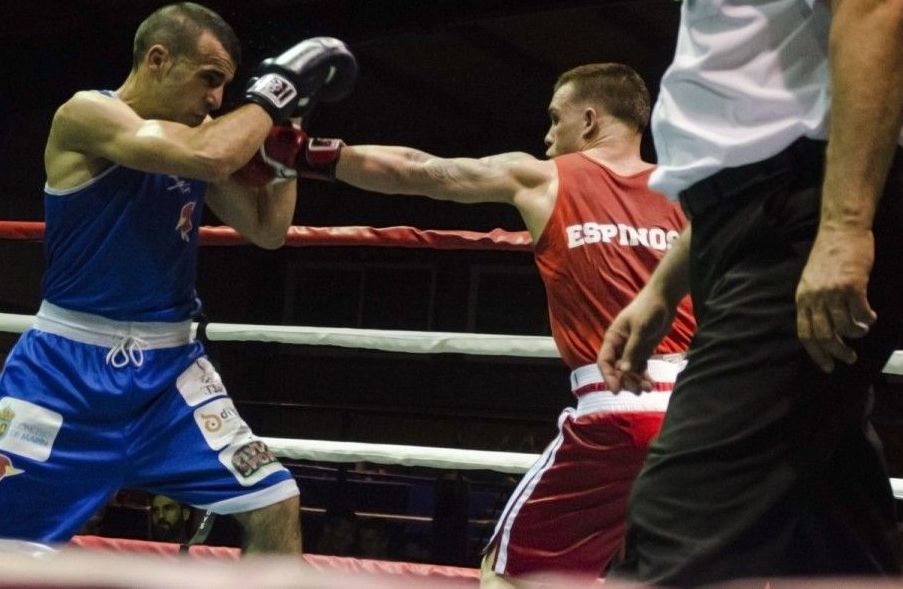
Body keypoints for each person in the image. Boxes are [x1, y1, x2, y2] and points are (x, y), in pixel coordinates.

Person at [598, 0, 903, 584]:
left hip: (800, 230)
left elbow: (880, 4)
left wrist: (845, 226)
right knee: (826, 534)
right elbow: (757, 124)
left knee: (678, 530)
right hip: (771, 226)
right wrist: (661, 292)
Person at [0, 2, 356, 555]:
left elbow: (268, 229)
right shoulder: (85, 115)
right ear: (157, 59)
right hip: (65, 373)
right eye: (210, 80)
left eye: (225, 88)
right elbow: (212, 158)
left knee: (274, 502)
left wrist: (288, 145)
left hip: (170, 375)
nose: (217, 100)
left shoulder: (199, 139)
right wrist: (277, 89)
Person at [240, 63, 695, 584]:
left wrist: (306, 153)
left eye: (554, 120)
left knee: (508, 574)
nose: (547, 139)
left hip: (613, 413)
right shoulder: (689, 195)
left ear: (589, 120)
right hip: (698, 414)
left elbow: (423, 170)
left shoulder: (544, 176)